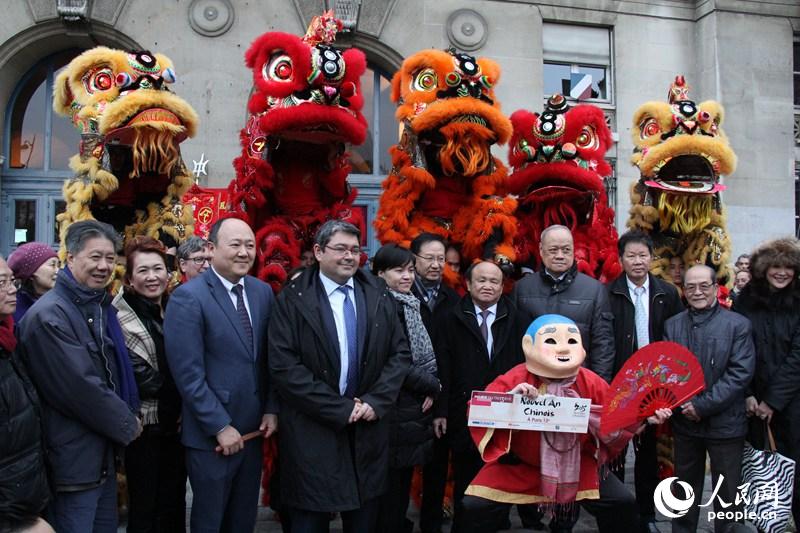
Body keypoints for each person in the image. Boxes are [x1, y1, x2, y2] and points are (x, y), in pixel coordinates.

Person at [459, 314, 669, 533]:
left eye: (571, 341)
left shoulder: (589, 380)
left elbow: (619, 417)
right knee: (474, 506)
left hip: (577, 466)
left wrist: (646, 417)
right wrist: (510, 399)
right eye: (551, 341)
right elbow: (476, 409)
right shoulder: (517, 377)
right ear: (528, 346)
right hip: (520, 467)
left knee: (622, 502)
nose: (563, 349)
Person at [268, 219, 411, 533]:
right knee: (309, 521)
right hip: (313, 429)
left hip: (368, 428)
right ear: (318, 252)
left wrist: (376, 401)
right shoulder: (293, 298)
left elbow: (399, 353)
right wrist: (340, 408)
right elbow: (284, 367)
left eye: (355, 250)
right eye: (341, 249)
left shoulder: (378, 292)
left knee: (364, 521)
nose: (350, 257)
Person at [17, 220, 142, 533]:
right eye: (94, 257)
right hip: (70, 463)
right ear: (70, 258)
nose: (103, 266)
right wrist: (127, 423)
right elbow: (80, 387)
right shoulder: (49, 316)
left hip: (97, 457)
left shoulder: (98, 306)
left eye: (110, 258)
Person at [164, 217, 277, 533]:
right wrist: (219, 425)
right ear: (211, 249)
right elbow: (188, 374)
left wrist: (271, 407)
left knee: (242, 521)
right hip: (211, 437)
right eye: (235, 245)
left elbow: (269, 359)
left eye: (250, 245)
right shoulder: (190, 297)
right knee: (210, 521)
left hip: (253, 433)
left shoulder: (262, 292)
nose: (244, 253)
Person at [435, 260, 527, 531]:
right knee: (467, 478)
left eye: (494, 281)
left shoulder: (518, 318)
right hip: (465, 411)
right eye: (481, 280)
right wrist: (441, 411)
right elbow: (443, 368)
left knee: (499, 478)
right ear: (468, 284)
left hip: (506, 414)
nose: (487, 286)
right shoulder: (450, 318)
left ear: (502, 286)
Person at [665, 264, 755, 533]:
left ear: (716, 288)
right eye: (691, 286)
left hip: (726, 424)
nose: (697, 292)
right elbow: (668, 370)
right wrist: (684, 405)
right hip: (686, 424)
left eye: (704, 286)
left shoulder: (737, 325)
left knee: (727, 494)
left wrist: (703, 406)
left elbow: (740, 373)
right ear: (683, 290)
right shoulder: (673, 325)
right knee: (683, 490)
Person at [607, 230, 683, 533]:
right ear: (621, 259)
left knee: (649, 451)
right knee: (615, 450)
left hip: (655, 385)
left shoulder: (667, 293)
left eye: (643, 255)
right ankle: (614, 514)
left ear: (651, 257)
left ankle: (646, 513)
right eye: (631, 256)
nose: (638, 261)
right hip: (622, 382)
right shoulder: (608, 292)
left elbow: (674, 338)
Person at [112, 236, 185, 532]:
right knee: (146, 506)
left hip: (177, 425)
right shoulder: (118, 314)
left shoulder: (176, 305)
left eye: (158, 269)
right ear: (129, 278)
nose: (152, 277)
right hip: (145, 427)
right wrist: (188, 390)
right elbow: (143, 378)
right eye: (143, 271)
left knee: (175, 501)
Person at [372, 243, 440, 533]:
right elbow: (395, 359)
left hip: (409, 410)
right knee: (388, 490)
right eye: (398, 270)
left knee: (399, 485)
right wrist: (433, 384)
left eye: (410, 270)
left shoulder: (409, 302)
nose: (407, 277)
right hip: (392, 407)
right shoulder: (382, 305)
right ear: (380, 273)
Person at [733, 237, 800, 526]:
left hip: (793, 402)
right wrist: (748, 394)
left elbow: (798, 356)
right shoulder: (747, 298)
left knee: (794, 471)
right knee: (764, 474)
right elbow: (736, 346)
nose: (781, 272)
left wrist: (772, 400)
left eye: (788, 266)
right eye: (775, 266)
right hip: (753, 402)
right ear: (764, 268)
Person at [512, 224, 615, 382]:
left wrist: (597, 384)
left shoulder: (594, 290)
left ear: (574, 251)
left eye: (566, 250)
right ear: (541, 250)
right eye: (553, 250)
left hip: (577, 381)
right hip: (532, 383)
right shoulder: (522, 288)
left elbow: (603, 345)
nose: (560, 255)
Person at [409, 232, 461, 533]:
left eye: (440, 259)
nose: (435, 264)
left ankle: (431, 524)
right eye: (429, 258)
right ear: (414, 259)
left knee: (437, 466)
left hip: (439, 395)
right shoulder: (402, 294)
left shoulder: (452, 299)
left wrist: (441, 401)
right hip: (404, 395)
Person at [0, 255, 52, 533]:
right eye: (1, 283)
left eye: (11, 280)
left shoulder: (9, 340)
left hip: (24, 492)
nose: (11, 289)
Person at [7, 242, 58, 322]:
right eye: (52, 265)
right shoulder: (14, 308)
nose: (57, 271)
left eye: (58, 265)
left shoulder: (61, 299)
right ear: (32, 270)